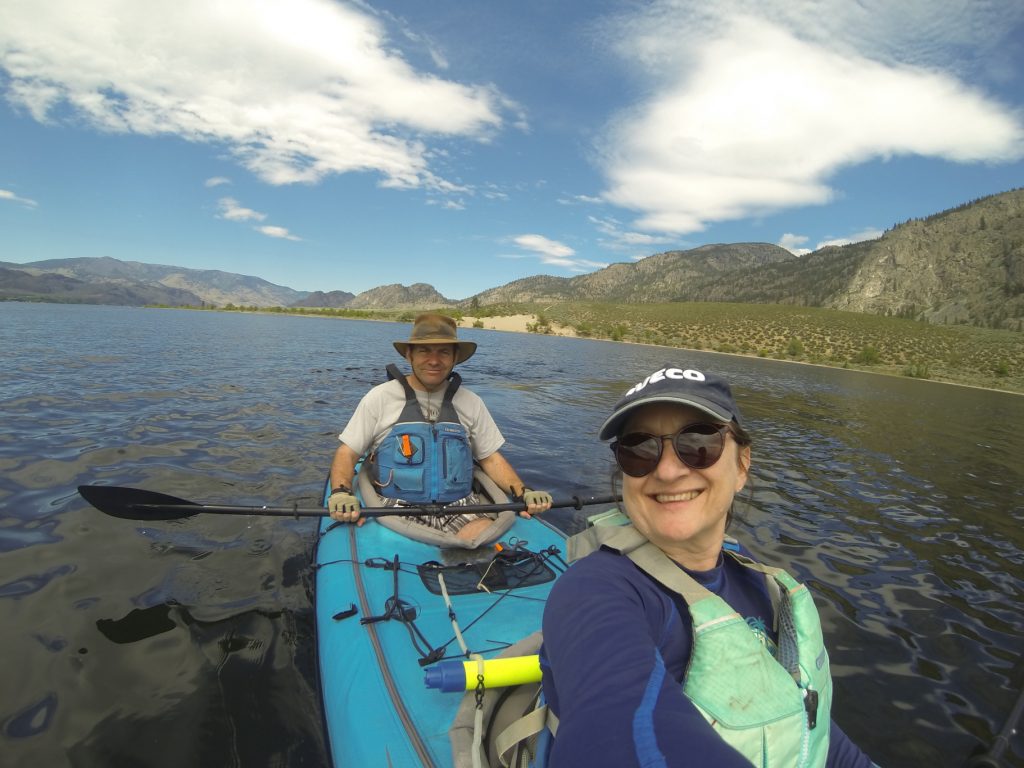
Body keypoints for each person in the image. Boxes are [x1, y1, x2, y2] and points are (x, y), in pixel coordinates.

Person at [540, 364, 877, 767]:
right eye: (639, 448)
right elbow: (617, 730)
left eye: (698, 443)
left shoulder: (757, 587)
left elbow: (811, 726)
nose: (666, 470)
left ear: (742, 465)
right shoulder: (595, 591)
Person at [328, 313, 552, 542]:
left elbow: (490, 458)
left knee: (486, 548)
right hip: (394, 508)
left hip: (460, 507)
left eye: (443, 352)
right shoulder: (379, 398)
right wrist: (340, 492)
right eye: (424, 351)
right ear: (409, 355)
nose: (434, 361)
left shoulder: (471, 402)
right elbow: (348, 452)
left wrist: (522, 491)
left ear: (455, 358)